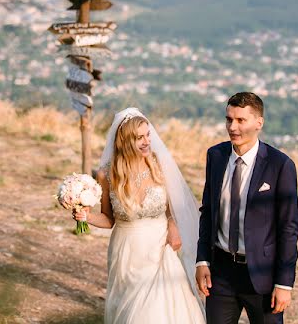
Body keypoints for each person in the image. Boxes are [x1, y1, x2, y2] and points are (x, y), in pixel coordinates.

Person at [73, 107, 205, 323]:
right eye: (138, 138)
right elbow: (108, 219)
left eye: (147, 135)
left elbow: (173, 207)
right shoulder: (106, 174)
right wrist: (85, 216)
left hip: (161, 248)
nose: (146, 142)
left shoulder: (158, 164)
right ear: (125, 141)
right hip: (128, 252)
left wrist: (173, 227)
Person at [196, 92, 298, 324]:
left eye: (241, 120)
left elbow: (288, 229)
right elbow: (208, 212)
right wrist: (202, 260)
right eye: (229, 119)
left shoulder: (280, 165)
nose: (233, 127)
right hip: (220, 273)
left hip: (262, 277)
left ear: (259, 123)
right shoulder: (216, 155)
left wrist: (284, 283)